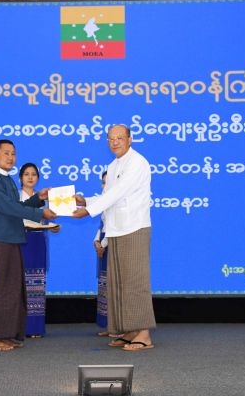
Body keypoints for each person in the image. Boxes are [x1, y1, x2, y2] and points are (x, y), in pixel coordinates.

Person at [73, 124, 156, 351]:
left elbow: (118, 193)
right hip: (116, 229)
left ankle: (144, 334)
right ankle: (129, 330)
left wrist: (89, 210)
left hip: (134, 227)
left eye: (120, 137)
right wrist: (86, 201)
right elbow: (108, 196)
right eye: (111, 138)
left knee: (135, 282)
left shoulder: (137, 162)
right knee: (119, 284)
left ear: (130, 139)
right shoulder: (113, 166)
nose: (115, 142)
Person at [0, 140, 57, 351]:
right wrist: (40, 213)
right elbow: (7, 207)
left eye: (13, 153)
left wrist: (38, 199)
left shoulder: (7, 179)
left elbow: (17, 207)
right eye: (6, 153)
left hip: (13, 238)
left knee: (12, 288)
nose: (10, 157)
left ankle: (7, 334)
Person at [18, 162, 60, 337]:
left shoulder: (42, 199)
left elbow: (45, 221)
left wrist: (54, 226)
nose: (30, 177)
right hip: (22, 241)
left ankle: (36, 328)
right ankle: (21, 328)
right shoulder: (16, 196)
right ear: (20, 178)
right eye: (26, 174)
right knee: (21, 284)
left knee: (37, 284)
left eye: (33, 174)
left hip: (38, 242)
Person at [94, 171, 110, 336]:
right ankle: (108, 325)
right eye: (103, 182)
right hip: (103, 243)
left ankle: (116, 325)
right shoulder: (104, 201)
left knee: (113, 286)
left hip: (111, 244)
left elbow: (115, 226)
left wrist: (103, 244)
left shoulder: (115, 201)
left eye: (108, 182)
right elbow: (102, 226)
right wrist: (96, 241)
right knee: (104, 285)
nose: (105, 185)